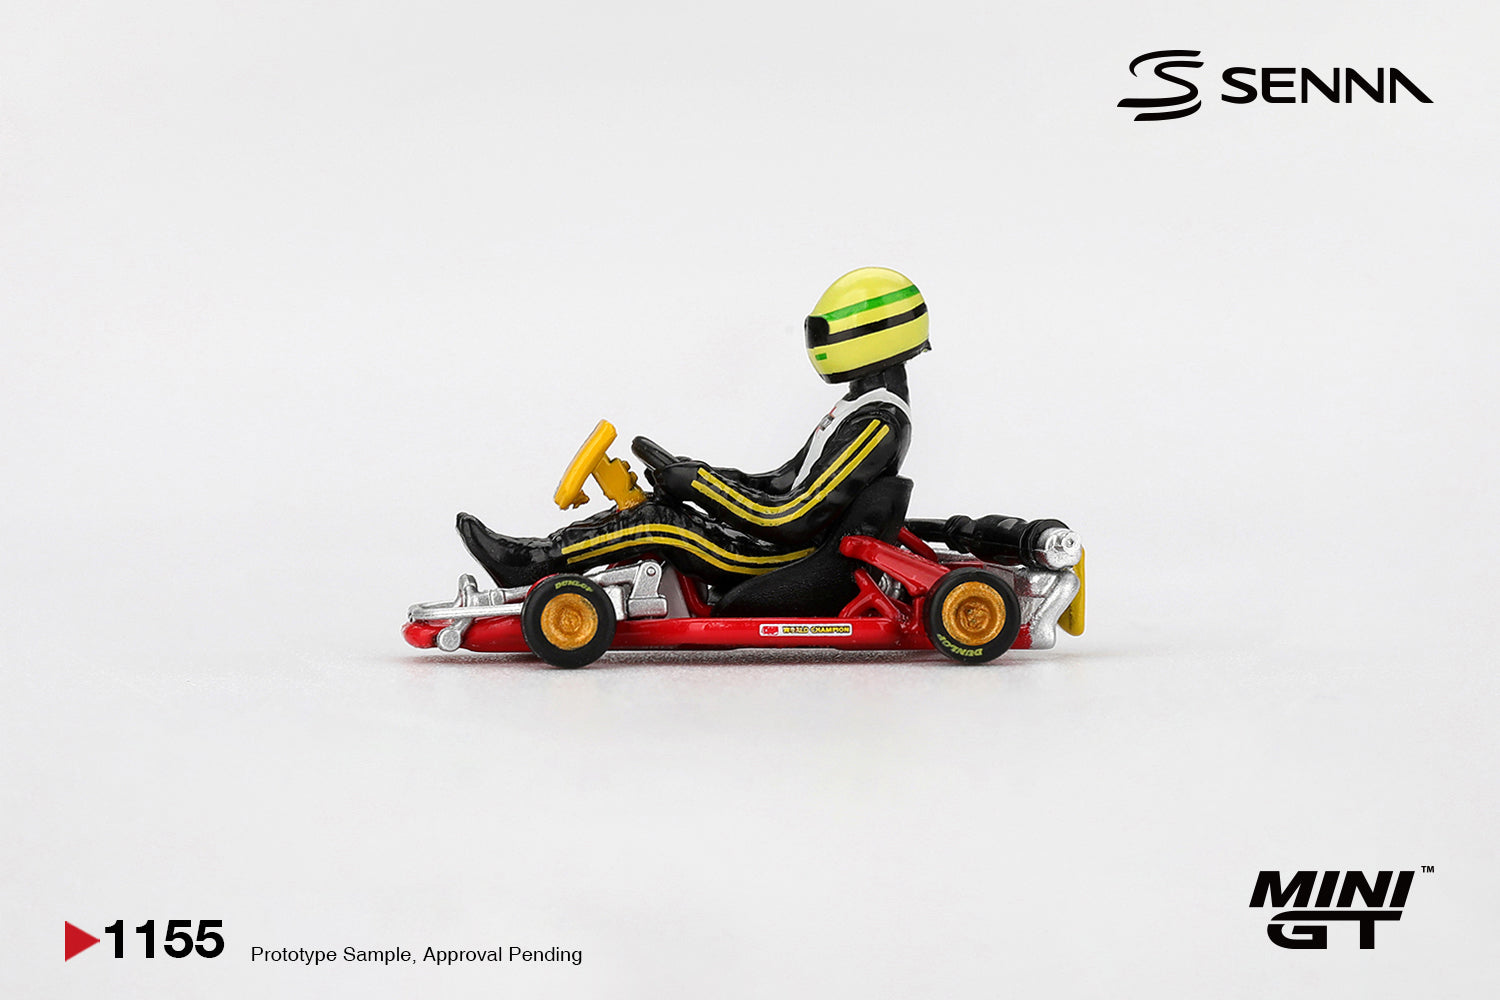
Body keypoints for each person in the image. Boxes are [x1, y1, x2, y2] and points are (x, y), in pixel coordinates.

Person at [457, 266, 929, 590]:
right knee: (657, 510)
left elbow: (790, 520)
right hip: (784, 545)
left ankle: (531, 565)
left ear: (870, 335)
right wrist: (699, 475)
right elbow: (783, 482)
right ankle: (537, 557)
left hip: (783, 557)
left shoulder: (876, 422)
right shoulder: (862, 409)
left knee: (656, 522)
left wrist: (700, 485)